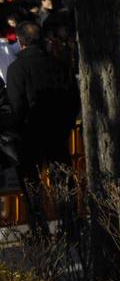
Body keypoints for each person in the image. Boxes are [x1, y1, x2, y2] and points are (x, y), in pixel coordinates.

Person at [4, 20, 78, 232]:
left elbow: (16, 106)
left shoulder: (17, 68)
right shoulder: (58, 65)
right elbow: (73, 98)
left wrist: (18, 131)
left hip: (31, 132)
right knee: (62, 178)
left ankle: (38, 226)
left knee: (31, 182)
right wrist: (66, 124)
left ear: (20, 41)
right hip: (58, 131)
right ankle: (69, 221)